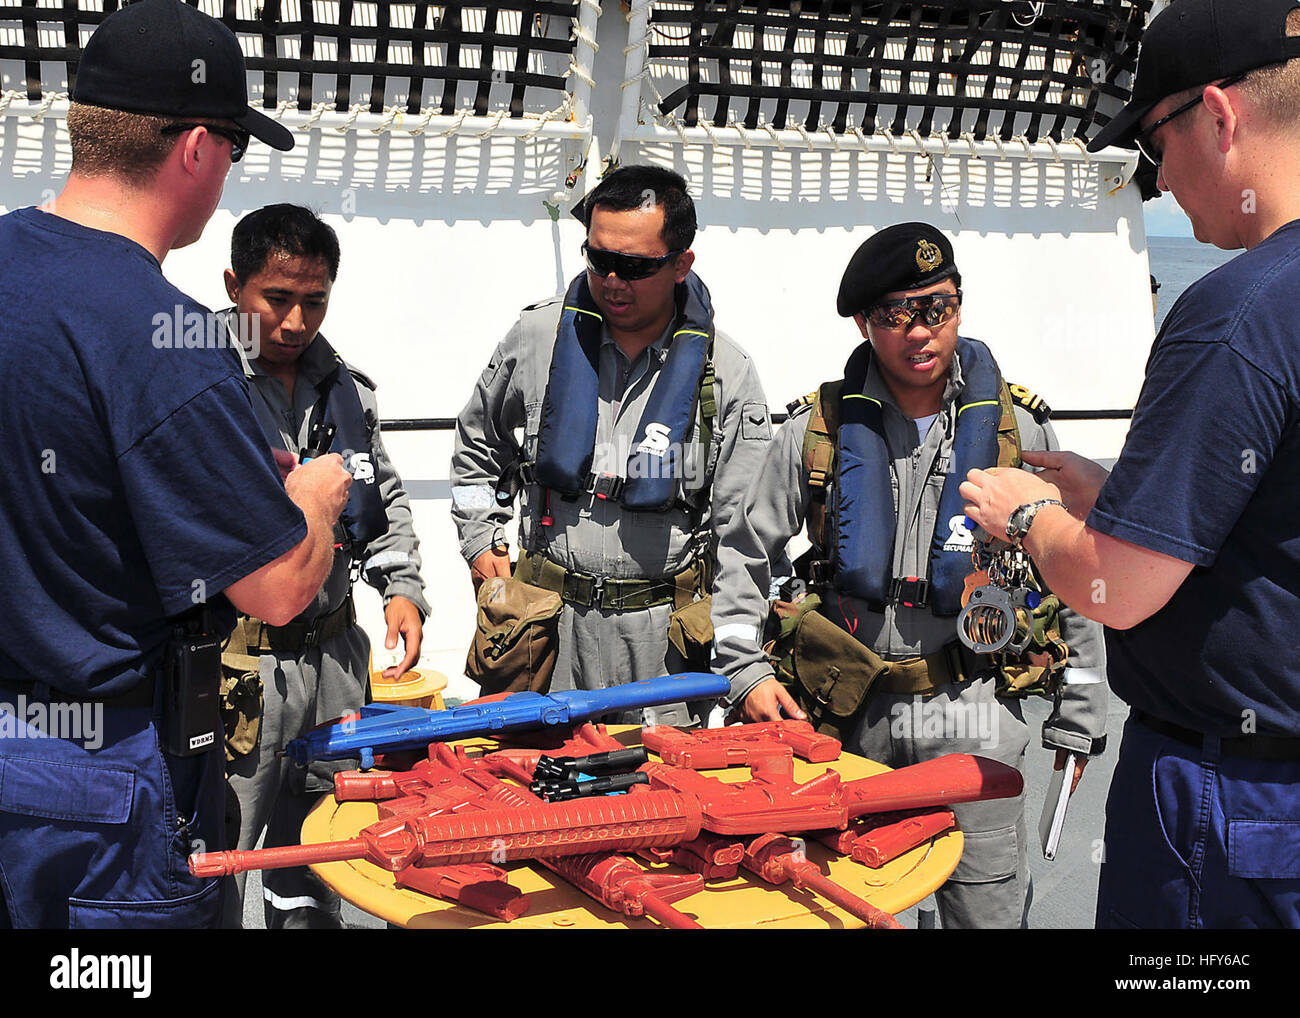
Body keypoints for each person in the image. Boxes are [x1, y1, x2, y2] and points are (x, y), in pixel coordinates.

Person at [0, 0, 353, 929]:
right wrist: (310, 498)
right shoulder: (166, 337)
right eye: (233, 150)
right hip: (95, 784)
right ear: (196, 147)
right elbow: (276, 585)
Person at [963, 0, 1300, 930]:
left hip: (1233, 817)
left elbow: (1114, 587)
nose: (1154, 183)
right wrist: (1120, 501)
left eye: (1154, 144)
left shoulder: (1236, 314)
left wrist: (1031, 516)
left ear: (1221, 118)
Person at [711, 223, 1108, 929]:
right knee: (844, 911)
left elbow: (1074, 576)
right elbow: (743, 553)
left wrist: (1080, 715)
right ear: (866, 323)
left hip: (976, 712)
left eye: (938, 309)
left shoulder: (1020, 433)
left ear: (959, 307)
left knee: (984, 915)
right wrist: (744, 670)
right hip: (846, 721)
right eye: (896, 315)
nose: (919, 333)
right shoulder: (815, 433)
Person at [450, 164, 773, 724]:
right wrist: (481, 545)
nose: (613, 280)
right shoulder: (536, 339)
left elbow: (743, 538)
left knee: (659, 803)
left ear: (680, 265)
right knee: (526, 799)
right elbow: (476, 450)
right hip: (541, 636)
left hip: (661, 654)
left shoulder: (728, 375)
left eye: (634, 266)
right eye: (599, 260)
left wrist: (744, 667)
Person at [218, 204, 430, 929]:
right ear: (234, 286)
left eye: (315, 301)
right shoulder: (195, 387)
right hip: (234, 670)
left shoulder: (349, 391)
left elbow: (385, 495)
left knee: (322, 853)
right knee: (217, 854)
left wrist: (402, 588)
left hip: (335, 661)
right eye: (276, 299)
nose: (295, 321)